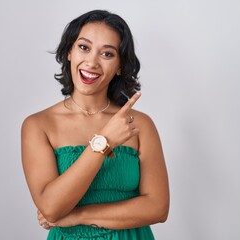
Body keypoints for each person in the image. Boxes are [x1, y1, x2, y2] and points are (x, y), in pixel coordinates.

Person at [21, 9, 169, 240]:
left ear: (120, 65)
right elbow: (51, 208)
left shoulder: (139, 124)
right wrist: (104, 142)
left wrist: (78, 215)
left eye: (107, 54)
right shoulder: (39, 125)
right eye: (84, 47)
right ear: (69, 51)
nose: (91, 62)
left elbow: (158, 208)